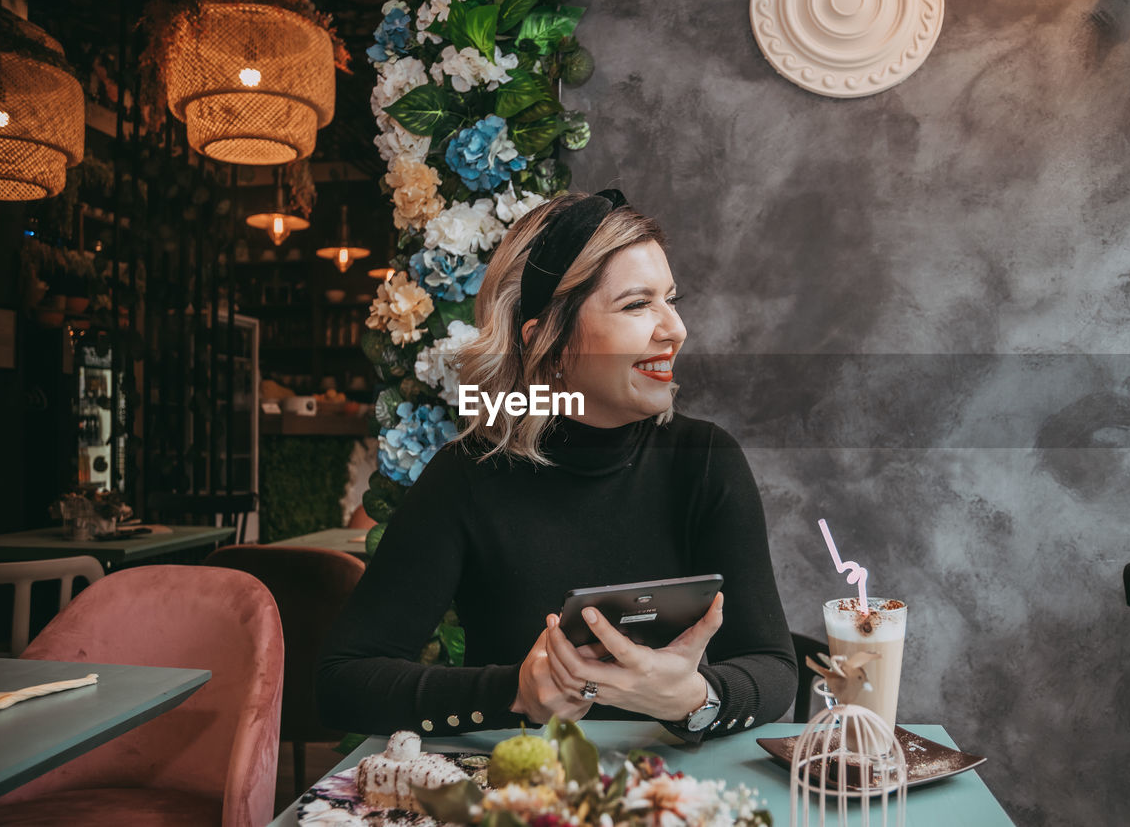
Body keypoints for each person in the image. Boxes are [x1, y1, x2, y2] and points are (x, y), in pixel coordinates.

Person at [317, 190, 796, 740]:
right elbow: (341, 684)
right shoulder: (469, 474)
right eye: (638, 304)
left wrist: (694, 698)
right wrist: (515, 694)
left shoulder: (706, 461)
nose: (675, 329)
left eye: (671, 298)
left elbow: (773, 668)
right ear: (546, 341)